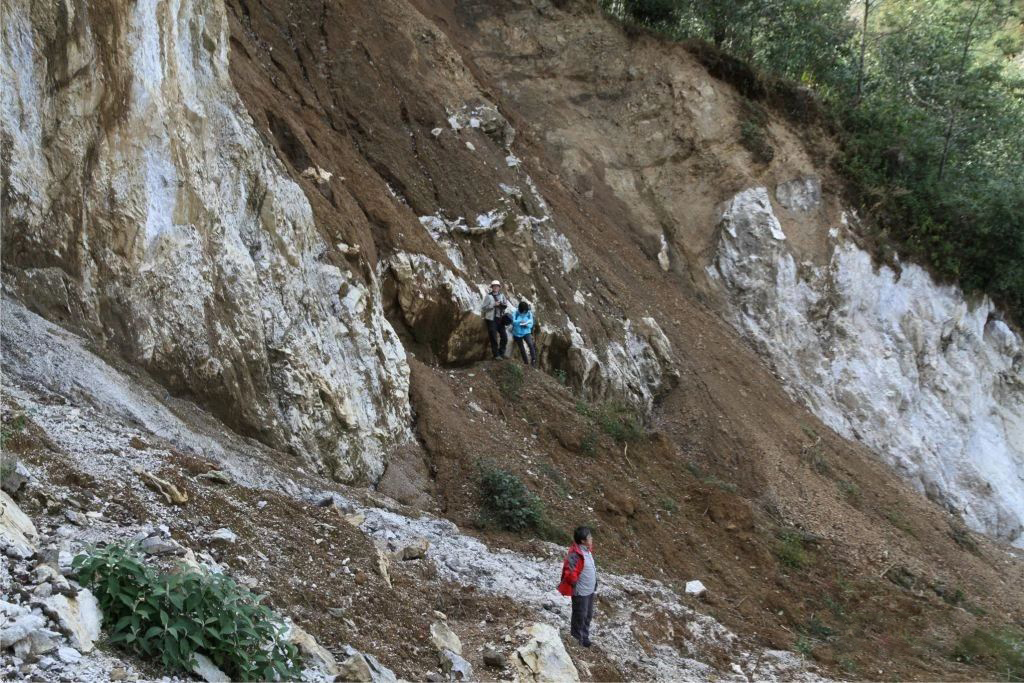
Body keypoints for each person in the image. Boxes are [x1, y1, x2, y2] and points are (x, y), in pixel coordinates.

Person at [557, 526, 597, 647]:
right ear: (583, 541)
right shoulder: (575, 554)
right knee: (579, 616)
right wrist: (576, 585)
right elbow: (570, 572)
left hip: (589, 591)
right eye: (589, 537)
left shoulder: (587, 550)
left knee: (588, 615)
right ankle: (576, 641)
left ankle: (584, 638)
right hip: (581, 592)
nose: (591, 538)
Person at [480, 280, 509, 360]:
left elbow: (505, 305)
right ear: (492, 287)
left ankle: (501, 353)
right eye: (494, 286)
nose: (496, 287)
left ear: (499, 287)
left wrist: (502, 305)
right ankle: (496, 355)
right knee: (493, 337)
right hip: (491, 319)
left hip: (500, 319)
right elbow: (483, 308)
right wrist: (493, 305)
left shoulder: (502, 296)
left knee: (504, 337)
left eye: (497, 286)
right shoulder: (488, 296)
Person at [511, 301, 538, 367]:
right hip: (517, 333)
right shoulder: (515, 313)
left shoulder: (529, 313)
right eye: (523, 311)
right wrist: (520, 321)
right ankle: (526, 362)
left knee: (531, 344)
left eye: (525, 311)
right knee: (522, 348)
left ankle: (533, 360)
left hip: (526, 332)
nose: (524, 312)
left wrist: (526, 325)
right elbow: (513, 322)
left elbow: (531, 324)